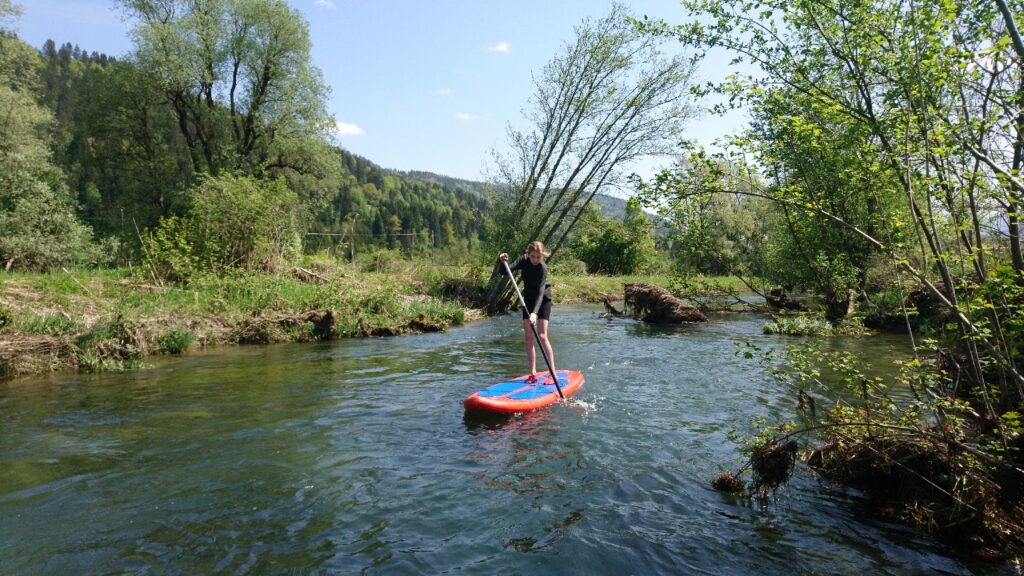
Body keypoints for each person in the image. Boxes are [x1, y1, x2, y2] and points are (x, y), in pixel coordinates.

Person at [499, 241, 555, 383]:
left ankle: (552, 373)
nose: (535, 260)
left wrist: (535, 313)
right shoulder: (524, 260)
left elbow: (541, 291)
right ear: (528, 254)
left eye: (538, 256)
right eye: (533, 256)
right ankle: (533, 372)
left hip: (543, 300)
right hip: (527, 300)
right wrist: (502, 261)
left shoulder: (542, 268)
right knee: (528, 337)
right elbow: (504, 271)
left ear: (542, 255)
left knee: (542, 335)